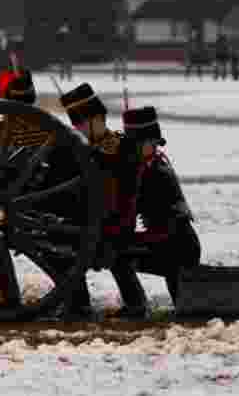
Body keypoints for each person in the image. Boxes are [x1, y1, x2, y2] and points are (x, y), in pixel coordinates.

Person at [58, 83, 146, 318]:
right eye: (76, 125)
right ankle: (79, 302)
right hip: (91, 219)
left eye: (82, 124)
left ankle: (133, 305)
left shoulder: (122, 146)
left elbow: (123, 191)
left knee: (116, 259)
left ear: (98, 119)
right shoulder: (83, 148)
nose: (80, 129)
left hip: (116, 221)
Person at [121, 106, 201, 309]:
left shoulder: (156, 174)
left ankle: (136, 306)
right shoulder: (152, 164)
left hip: (177, 247)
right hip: (173, 244)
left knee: (119, 256)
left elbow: (169, 227)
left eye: (138, 144)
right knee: (182, 302)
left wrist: (131, 238)